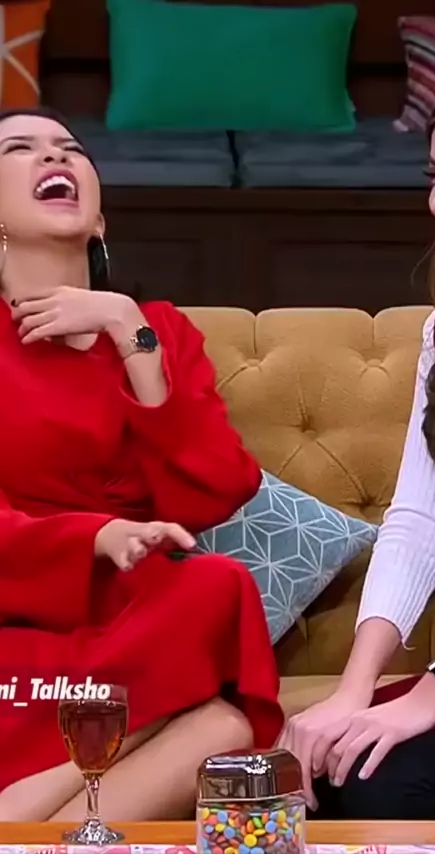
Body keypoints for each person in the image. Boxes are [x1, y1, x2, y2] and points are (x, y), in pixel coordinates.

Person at [0, 107, 284, 821]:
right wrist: (93, 536)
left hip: (141, 613)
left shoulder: (159, 330)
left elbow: (216, 488)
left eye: (70, 148)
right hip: (21, 614)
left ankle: (20, 826)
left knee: (217, 591)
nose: (55, 157)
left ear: (99, 219)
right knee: (222, 727)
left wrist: (128, 329)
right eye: (20, 149)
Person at [279, 75, 435, 821]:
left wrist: (432, 694)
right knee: (341, 764)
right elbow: (419, 523)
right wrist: (354, 692)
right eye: (434, 176)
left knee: (387, 780)